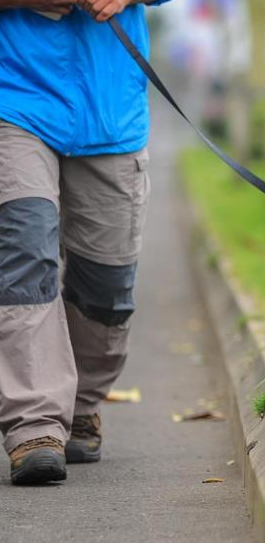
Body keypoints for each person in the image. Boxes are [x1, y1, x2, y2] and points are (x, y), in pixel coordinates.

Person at [0, 0, 169, 484]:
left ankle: (81, 406)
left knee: (107, 284)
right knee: (24, 258)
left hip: (111, 111)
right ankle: (33, 423)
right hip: (15, 100)